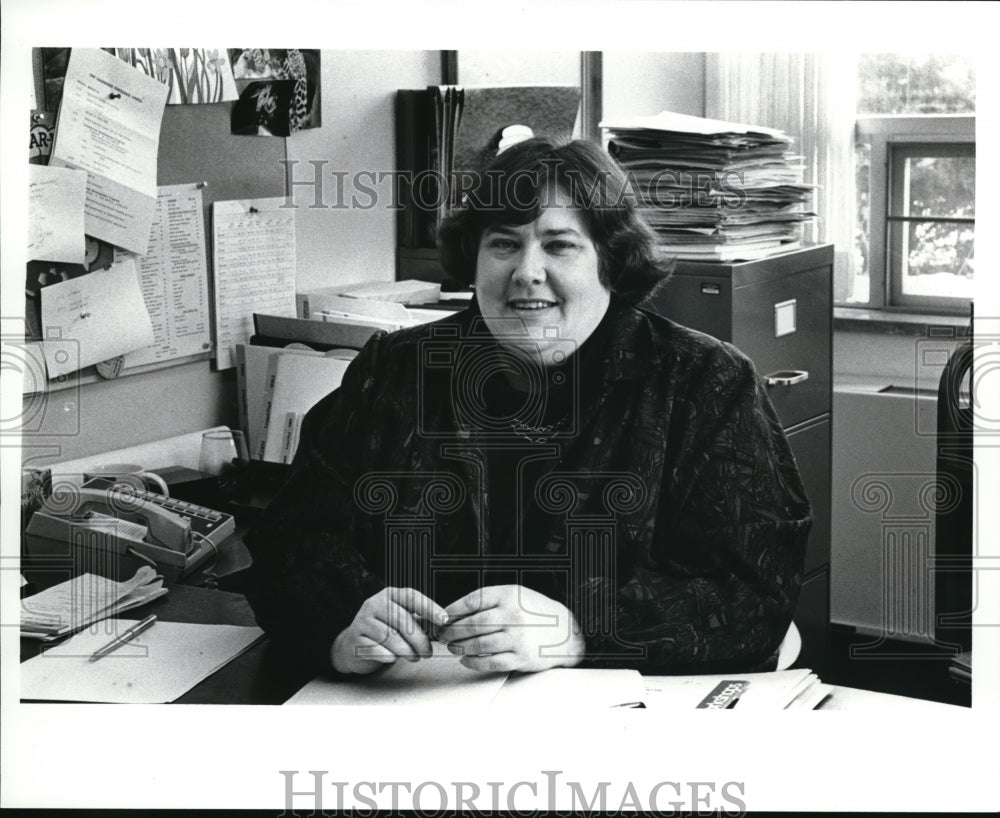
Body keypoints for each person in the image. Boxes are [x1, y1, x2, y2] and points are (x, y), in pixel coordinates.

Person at [244, 138, 812, 679]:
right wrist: (342, 628)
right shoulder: (394, 370)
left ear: (610, 262)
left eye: (560, 244)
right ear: (474, 258)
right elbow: (289, 544)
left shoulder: (704, 383)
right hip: (416, 705)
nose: (526, 272)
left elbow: (754, 593)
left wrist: (579, 630)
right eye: (504, 243)